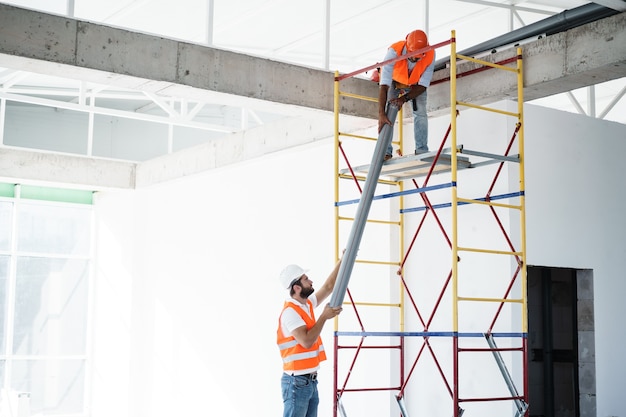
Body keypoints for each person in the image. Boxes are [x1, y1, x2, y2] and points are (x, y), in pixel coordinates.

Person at [277, 259, 343, 417]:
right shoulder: (290, 312)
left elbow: (328, 287)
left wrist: (343, 260)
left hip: (310, 382)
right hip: (296, 383)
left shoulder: (306, 305)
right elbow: (306, 342)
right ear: (297, 287)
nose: (311, 281)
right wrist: (323, 317)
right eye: (306, 279)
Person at [378, 29, 436, 160]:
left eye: (418, 57)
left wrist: (404, 99)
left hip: (415, 84)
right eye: (414, 56)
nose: (416, 59)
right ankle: (386, 151)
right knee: (388, 113)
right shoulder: (393, 52)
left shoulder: (430, 54)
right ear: (408, 50)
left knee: (420, 111)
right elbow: (384, 86)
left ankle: (422, 150)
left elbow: (423, 84)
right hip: (394, 80)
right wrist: (381, 113)